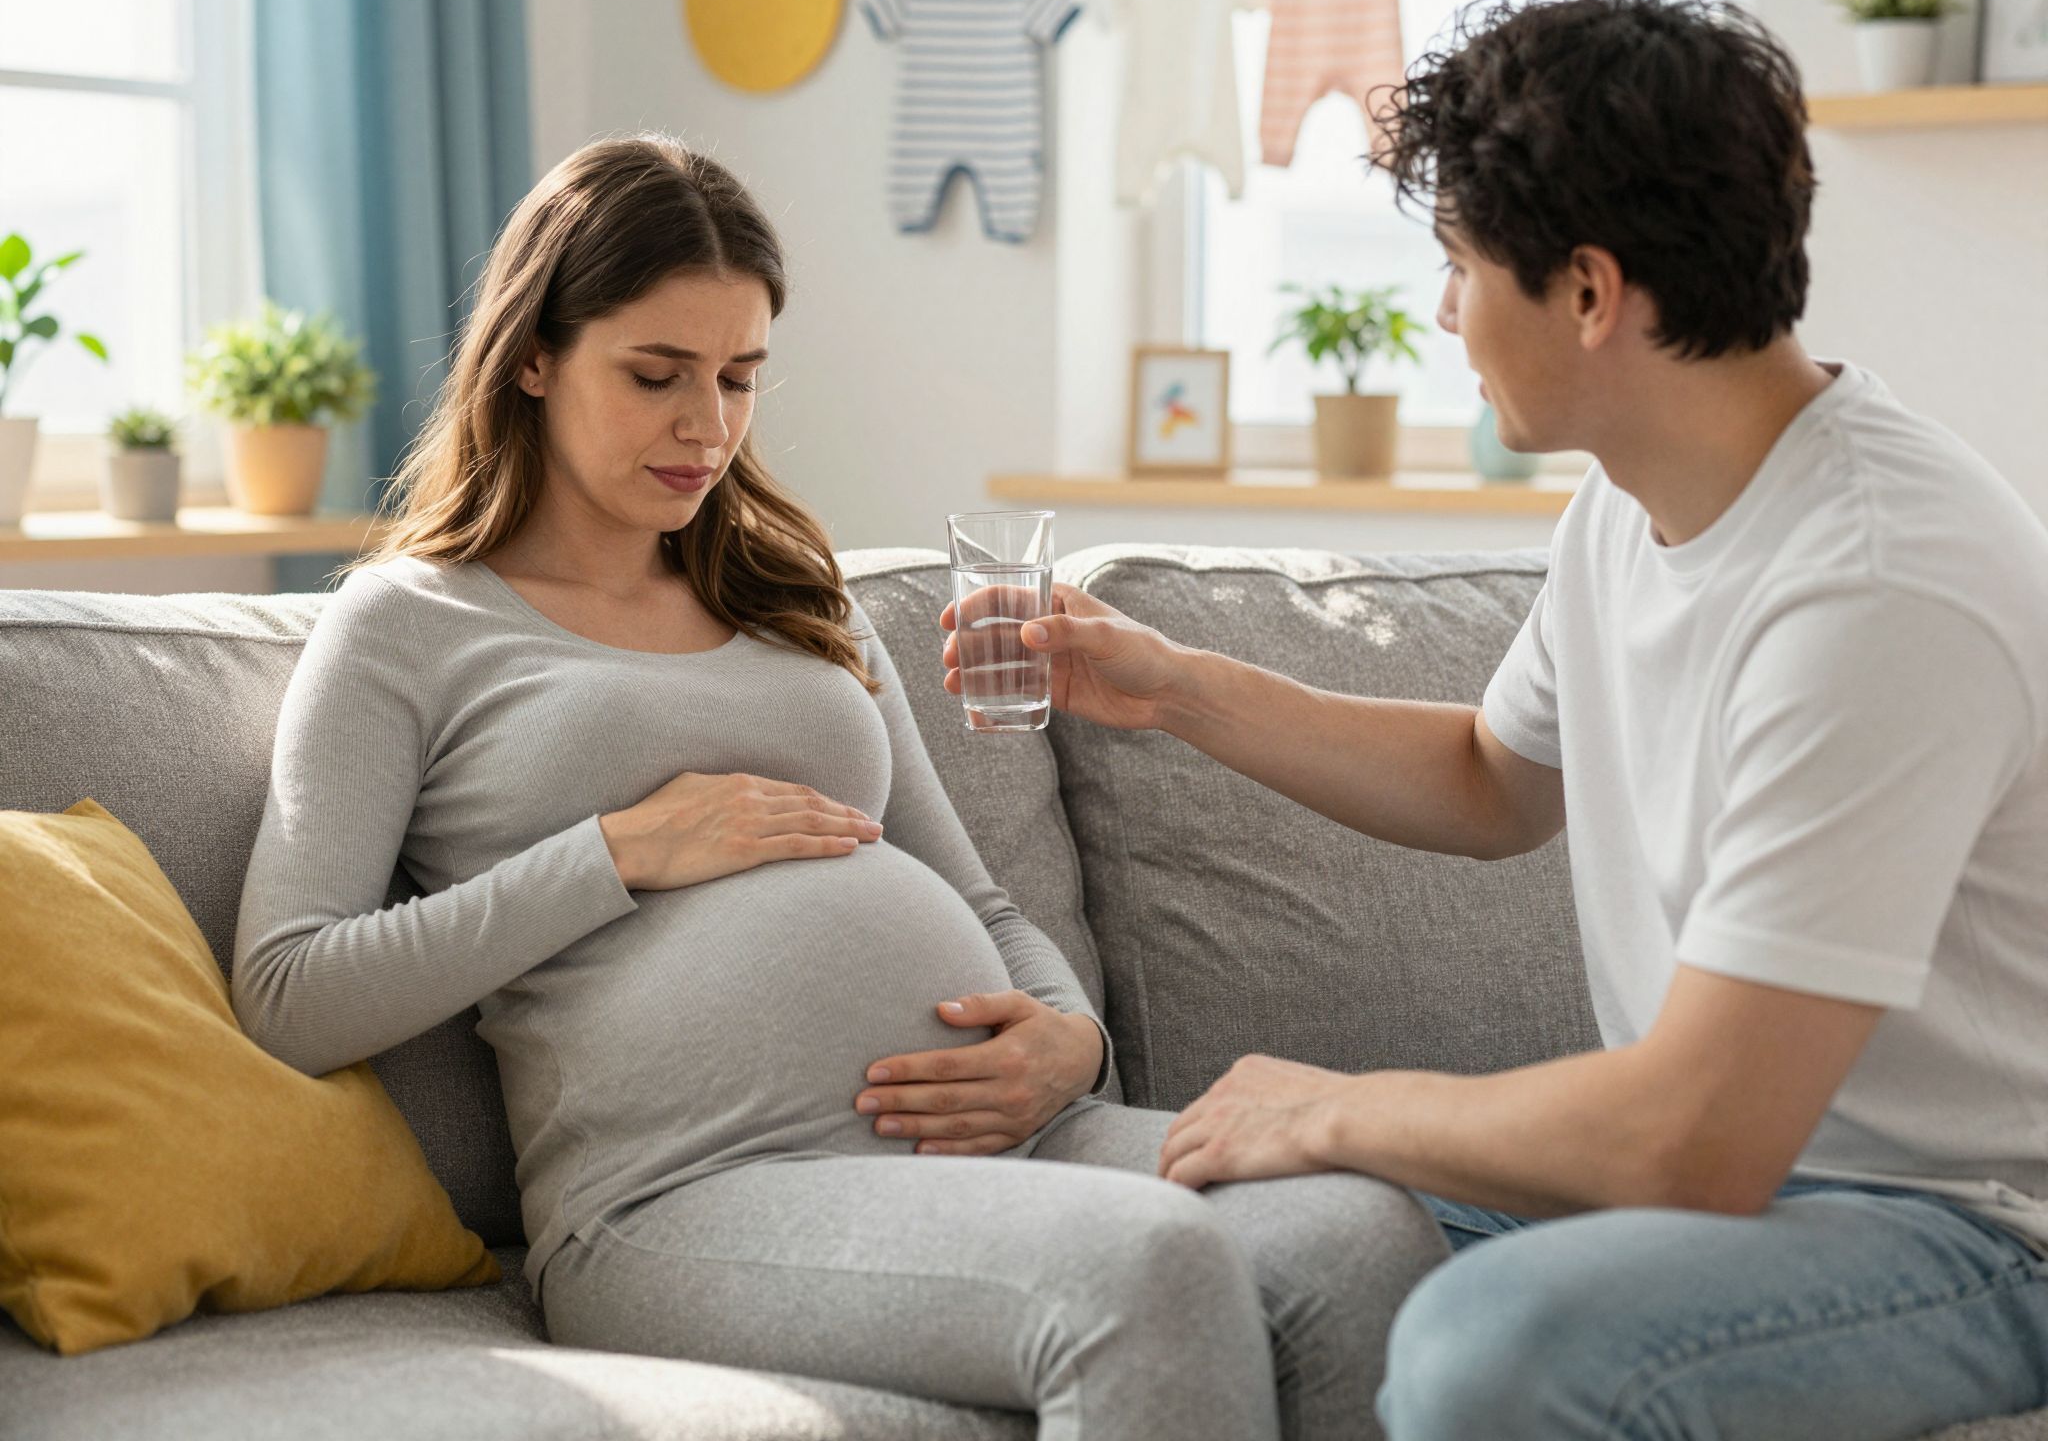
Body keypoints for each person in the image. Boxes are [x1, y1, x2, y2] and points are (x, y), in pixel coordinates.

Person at [953, 0, 2048, 1439]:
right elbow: (1492, 778)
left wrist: (1339, 1108)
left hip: (1963, 1229)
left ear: (1591, 293)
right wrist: (1169, 689)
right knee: (1178, 1204)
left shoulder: (1880, 583)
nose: (1445, 311)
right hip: (1733, 1191)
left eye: (1463, 266)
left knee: (1494, 1344)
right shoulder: (1634, 500)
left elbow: (1698, 1139)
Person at [232, 133, 1445, 1441]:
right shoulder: (407, 626)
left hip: (1000, 1144)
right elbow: (291, 992)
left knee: (1358, 1230)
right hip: (687, 1194)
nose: (708, 428)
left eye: (740, 378)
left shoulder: (790, 592)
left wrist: (1067, 1036)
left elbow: (972, 891)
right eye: (657, 376)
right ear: (533, 356)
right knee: (1143, 1268)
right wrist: (622, 849)